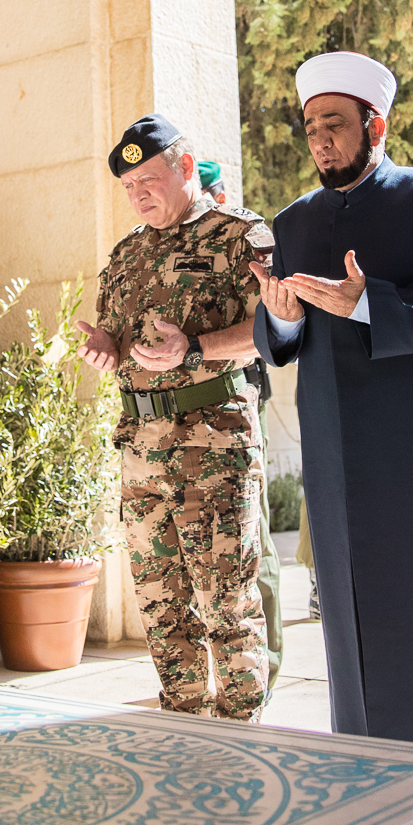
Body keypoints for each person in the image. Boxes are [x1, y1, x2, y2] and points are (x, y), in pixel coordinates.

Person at [251, 51, 413, 753]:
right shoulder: (293, 222)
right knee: (356, 629)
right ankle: (368, 767)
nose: (320, 140)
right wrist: (279, 316)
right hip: (341, 461)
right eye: (310, 128)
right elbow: (277, 336)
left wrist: (369, 301)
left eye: (334, 124)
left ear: (377, 123)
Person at [78, 116, 272, 720]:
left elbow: (277, 331)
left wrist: (194, 347)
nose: (139, 194)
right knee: (161, 603)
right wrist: (106, 347)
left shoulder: (242, 237)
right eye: (129, 186)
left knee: (226, 601)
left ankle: (243, 735)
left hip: (215, 446)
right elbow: (117, 332)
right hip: (141, 450)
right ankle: (182, 727)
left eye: (149, 179)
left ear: (186, 168)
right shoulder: (127, 253)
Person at [195, 156, 288, 676]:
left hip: (240, 404)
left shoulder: (243, 237)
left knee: (255, 541)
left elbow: (266, 328)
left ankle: (265, 668)